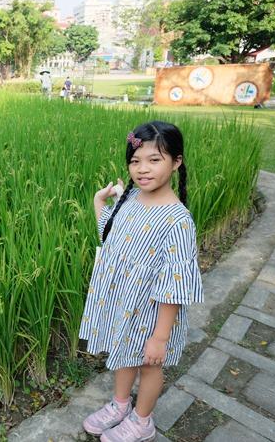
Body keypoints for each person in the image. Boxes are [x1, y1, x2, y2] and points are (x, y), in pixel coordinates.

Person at [80, 121, 203, 442]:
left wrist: (160, 337)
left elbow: (176, 284)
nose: (142, 169)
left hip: (152, 314)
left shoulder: (177, 220)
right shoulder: (132, 198)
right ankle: (120, 405)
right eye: (135, 161)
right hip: (125, 303)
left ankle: (142, 420)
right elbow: (113, 241)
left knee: (149, 366)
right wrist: (99, 205)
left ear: (176, 162)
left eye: (154, 160)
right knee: (123, 352)